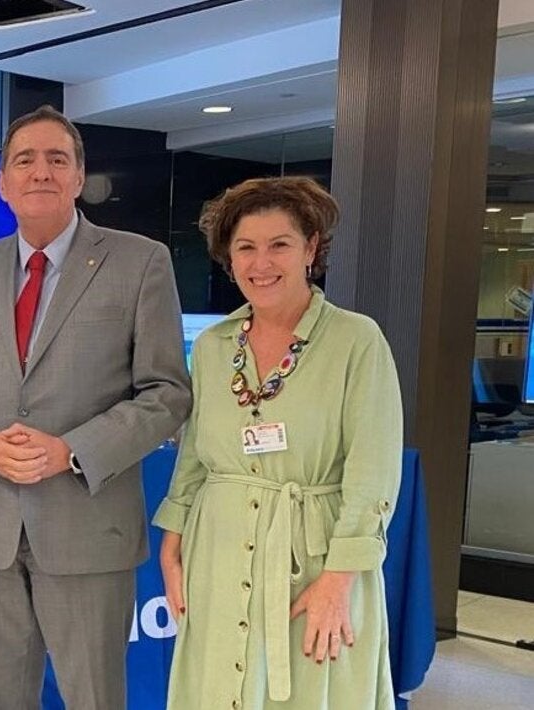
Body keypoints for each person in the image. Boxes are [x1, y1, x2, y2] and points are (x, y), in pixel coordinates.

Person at [0, 105, 192, 710]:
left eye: (56, 159)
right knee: (2, 698)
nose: (40, 171)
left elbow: (167, 394)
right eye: (25, 159)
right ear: (3, 183)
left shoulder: (140, 262)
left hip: (88, 529)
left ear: (78, 177)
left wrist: (72, 450)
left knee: (93, 697)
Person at [154, 176, 401, 709]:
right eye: (246, 247)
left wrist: (338, 582)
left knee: (314, 688)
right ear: (229, 258)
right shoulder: (217, 346)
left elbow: (374, 471)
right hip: (217, 549)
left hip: (314, 557)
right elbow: (196, 454)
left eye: (279, 245)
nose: (260, 263)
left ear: (311, 248)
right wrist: (172, 541)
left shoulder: (357, 341)